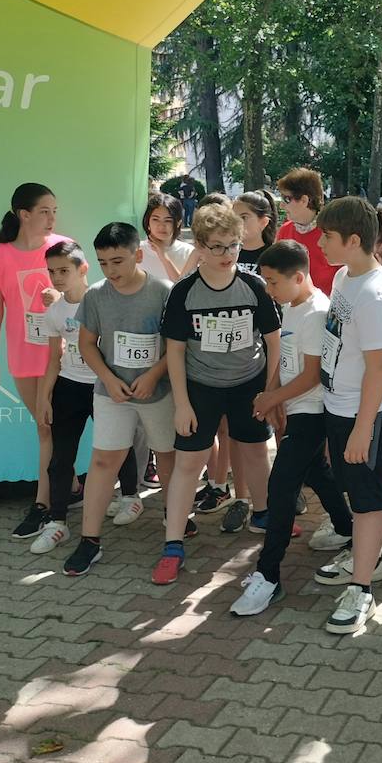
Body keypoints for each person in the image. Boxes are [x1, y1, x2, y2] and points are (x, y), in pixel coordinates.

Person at [157, 204, 281, 585]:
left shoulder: (255, 287)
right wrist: (181, 404)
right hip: (201, 387)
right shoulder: (184, 292)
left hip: (248, 384)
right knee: (189, 462)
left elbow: (273, 340)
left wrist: (269, 390)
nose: (227, 255)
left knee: (255, 451)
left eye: (233, 246)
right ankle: (173, 544)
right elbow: (174, 351)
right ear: (200, 246)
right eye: (217, 247)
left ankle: (264, 514)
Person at [303, 197, 382, 633]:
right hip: (341, 404)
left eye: (326, 236)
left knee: (367, 499)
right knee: (357, 492)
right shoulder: (346, 275)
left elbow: (379, 368)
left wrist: (363, 429)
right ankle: (368, 556)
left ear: (352, 240)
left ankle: (362, 587)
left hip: (369, 412)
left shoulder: (375, 296)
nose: (319, 243)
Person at [230, 240, 347, 616]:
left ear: (298, 277)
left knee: (281, 487)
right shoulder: (291, 305)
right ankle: (347, 528)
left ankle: (269, 575)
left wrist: (272, 398)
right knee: (316, 471)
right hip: (295, 408)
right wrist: (273, 395)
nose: (268, 289)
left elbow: (312, 375)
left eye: (273, 282)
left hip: (314, 412)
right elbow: (284, 357)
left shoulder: (317, 312)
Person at [61, 222, 178, 576]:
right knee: (102, 461)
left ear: (137, 255)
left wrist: (153, 375)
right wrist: (109, 379)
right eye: (103, 263)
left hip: (158, 392)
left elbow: (176, 347)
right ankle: (90, 540)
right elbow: (87, 344)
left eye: (117, 261)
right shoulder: (96, 295)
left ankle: (175, 521)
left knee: (167, 455)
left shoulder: (164, 292)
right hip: (112, 393)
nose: (110, 270)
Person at [32, 240, 142, 555]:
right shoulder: (54, 312)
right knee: (61, 457)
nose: (57, 277)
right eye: (52, 271)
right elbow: (53, 359)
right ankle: (57, 522)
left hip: (104, 386)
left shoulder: (103, 299)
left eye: (64, 270)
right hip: (69, 387)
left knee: (117, 445)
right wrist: (44, 397)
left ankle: (130, 496)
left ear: (83, 269)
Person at [0, 183, 72, 541]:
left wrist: (61, 298)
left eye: (54, 211)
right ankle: (69, 487)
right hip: (22, 354)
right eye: (44, 211)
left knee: (48, 428)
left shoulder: (64, 248)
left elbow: (83, 297)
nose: (52, 218)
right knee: (44, 426)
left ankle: (43, 504)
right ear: (24, 214)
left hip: (61, 355)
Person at [275, 168, 338, 292]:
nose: (281, 205)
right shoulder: (284, 230)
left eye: (286, 199)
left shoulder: (332, 232)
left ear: (304, 200)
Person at [140, 193, 195, 284]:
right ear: (147, 222)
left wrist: (164, 256)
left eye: (168, 220)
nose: (161, 226)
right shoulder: (135, 250)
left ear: (178, 223)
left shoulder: (188, 252)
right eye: (155, 219)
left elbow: (183, 288)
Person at [233, 190, 277, 277]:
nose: (237, 223)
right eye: (234, 217)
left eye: (244, 217)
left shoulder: (275, 256)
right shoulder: (226, 253)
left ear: (263, 222)